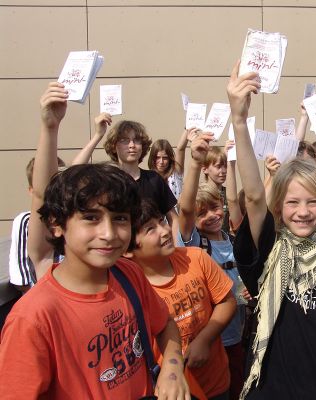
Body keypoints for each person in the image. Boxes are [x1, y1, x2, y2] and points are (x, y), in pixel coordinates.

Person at [0, 82, 190, 399]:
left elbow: (166, 324)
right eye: (90, 218)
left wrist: (171, 369)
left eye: (119, 219)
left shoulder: (129, 275)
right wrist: (50, 128)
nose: (108, 233)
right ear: (57, 225)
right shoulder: (33, 318)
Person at [228, 61, 316, 400]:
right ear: (278, 207)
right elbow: (252, 195)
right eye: (293, 203)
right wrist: (238, 121)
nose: (303, 212)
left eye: (312, 202)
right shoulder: (268, 250)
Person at [128, 199, 237, 400]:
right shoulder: (130, 290)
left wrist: (205, 339)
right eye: (150, 229)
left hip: (215, 383)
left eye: (162, 221)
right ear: (128, 249)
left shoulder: (196, 257)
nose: (164, 230)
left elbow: (227, 302)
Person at [178, 134, 246, 400]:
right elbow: (185, 210)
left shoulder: (231, 238)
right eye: (201, 213)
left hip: (237, 331)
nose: (211, 217)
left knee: (236, 383)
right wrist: (194, 163)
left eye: (215, 209)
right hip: (209, 339)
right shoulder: (195, 243)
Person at [103, 119, 178, 223]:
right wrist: (98, 135)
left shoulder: (154, 179)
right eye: (124, 140)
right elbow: (73, 176)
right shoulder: (107, 181)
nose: (132, 145)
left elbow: (174, 219)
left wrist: (176, 239)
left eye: (137, 140)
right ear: (114, 146)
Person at [9, 156, 65, 292]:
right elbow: (20, 274)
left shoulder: (72, 219)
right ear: (31, 190)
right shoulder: (25, 221)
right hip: (40, 294)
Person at [148, 128, 195, 200]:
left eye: (165, 158)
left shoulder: (176, 174)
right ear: (152, 158)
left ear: (170, 159)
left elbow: (180, 149)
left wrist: (188, 127)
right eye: (157, 157)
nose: (161, 162)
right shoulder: (147, 178)